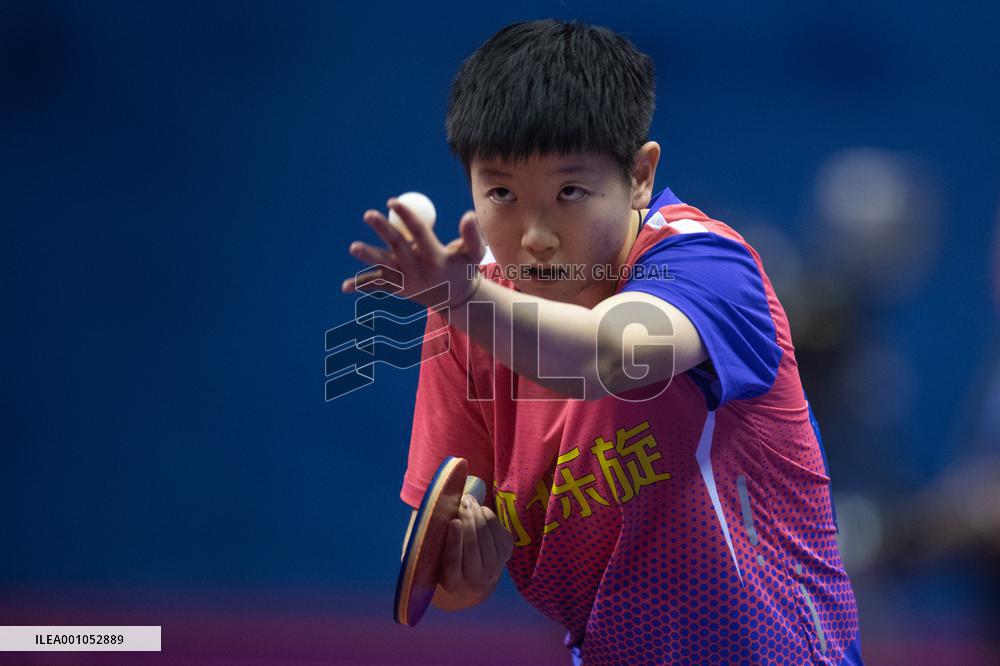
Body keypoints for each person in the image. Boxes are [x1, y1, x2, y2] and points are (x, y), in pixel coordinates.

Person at [342, 19, 862, 665]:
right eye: (500, 192)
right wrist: (466, 574)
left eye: (569, 192)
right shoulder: (467, 322)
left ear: (640, 176)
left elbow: (609, 356)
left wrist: (464, 299)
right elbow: (441, 575)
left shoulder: (708, 265)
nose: (535, 235)